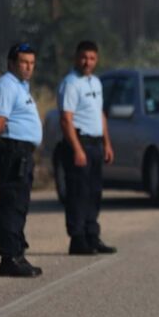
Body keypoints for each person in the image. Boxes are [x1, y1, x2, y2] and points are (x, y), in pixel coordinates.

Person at [0, 43, 43, 277]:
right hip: (13, 151)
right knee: (12, 204)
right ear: (11, 63)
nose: (28, 67)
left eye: (31, 63)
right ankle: (9, 258)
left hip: (22, 152)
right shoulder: (7, 86)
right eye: (23, 62)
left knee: (19, 205)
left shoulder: (21, 87)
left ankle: (18, 254)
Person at [57, 40, 116, 255]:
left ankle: (92, 235)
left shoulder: (95, 82)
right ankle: (77, 238)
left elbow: (100, 114)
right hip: (79, 143)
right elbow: (66, 119)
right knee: (78, 193)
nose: (87, 62)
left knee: (94, 192)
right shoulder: (70, 84)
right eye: (83, 57)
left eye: (91, 58)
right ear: (76, 57)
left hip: (96, 144)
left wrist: (107, 143)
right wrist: (77, 149)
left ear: (96, 59)